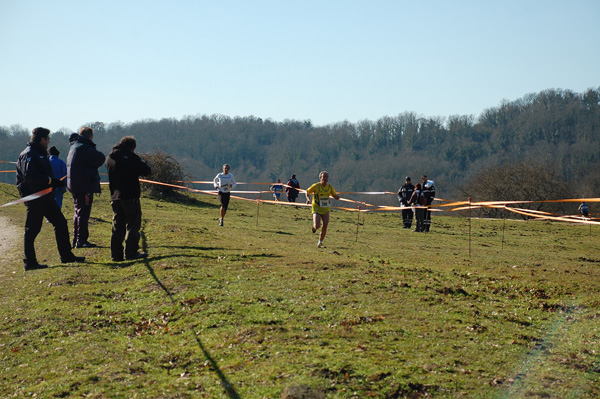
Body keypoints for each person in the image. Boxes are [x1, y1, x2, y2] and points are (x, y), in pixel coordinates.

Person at [16, 127, 85, 270]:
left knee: (60, 223)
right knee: (32, 230)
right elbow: (30, 177)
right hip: (35, 197)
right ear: (42, 139)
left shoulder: (39, 153)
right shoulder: (29, 154)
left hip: (46, 196)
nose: (48, 142)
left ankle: (66, 255)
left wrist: (53, 182)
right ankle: (30, 261)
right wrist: (50, 180)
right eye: (48, 139)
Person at [105, 136, 151, 261]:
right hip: (130, 196)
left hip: (115, 196)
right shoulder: (131, 157)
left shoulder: (109, 158)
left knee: (117, 226)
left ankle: (116, 254)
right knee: (133, 225)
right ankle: (130, 253)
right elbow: (146, 170)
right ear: (132, 147)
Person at [67, 127, 105, 248]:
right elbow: (100, 158)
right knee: (84, 213)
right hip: (84, 185)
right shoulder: (85, 147)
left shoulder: (74, 147)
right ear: (90, 136)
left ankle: (76, 238)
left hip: (74, 185)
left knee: (77, 211)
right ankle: (81, 240)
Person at [305, 171, 340, 248]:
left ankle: (320, 242)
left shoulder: (329, 187)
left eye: (327, 177)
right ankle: (314, 227)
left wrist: (336, 197)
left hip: (325, 209)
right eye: (324, 177)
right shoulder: (316, 186)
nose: (325, 179)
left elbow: (334, 195)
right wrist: (308, 199)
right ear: (320, 178)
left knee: (325, 226)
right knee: (317, 225)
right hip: (316, 208)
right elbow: (307, 192)